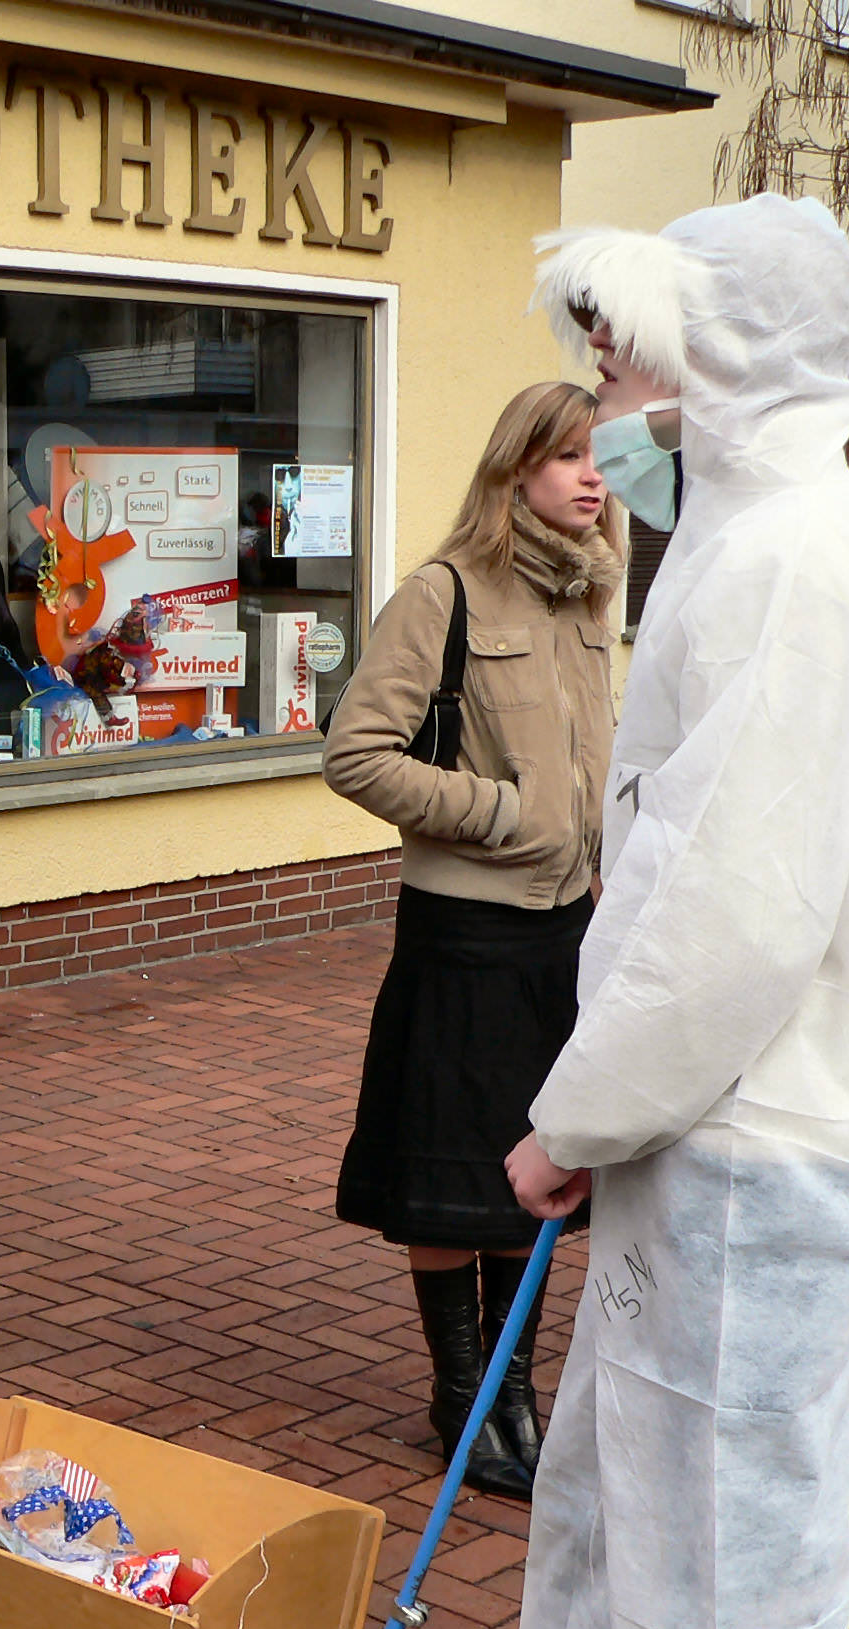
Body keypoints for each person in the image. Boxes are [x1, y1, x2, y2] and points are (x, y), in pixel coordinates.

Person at [388, 197, 849, 1629]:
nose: (602, 392)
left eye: (623, 354)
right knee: (599, 1508)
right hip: (704, 1135)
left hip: (751, 1150)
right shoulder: (758, 538)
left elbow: (735, 913)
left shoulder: (794, 561)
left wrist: (574, 1122)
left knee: (726, 1601)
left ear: (721, 358)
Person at [323, 382, 623, 1498]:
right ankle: (461, 1396)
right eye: (569, 456)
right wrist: (501, 813)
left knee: (530, 1172)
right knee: (452, 1176)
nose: (593, 476)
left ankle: (512, 1395)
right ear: (515, 469)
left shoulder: (591, 594)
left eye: (600, 456)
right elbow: (355, 753)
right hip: (463, 935)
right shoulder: (441, 592)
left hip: (562, 935)